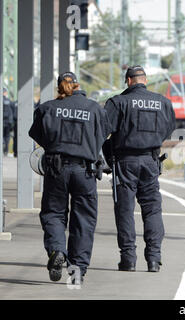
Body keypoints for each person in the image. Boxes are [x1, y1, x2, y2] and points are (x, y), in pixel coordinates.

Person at [29, 72, 110, 283]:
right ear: (78, 85)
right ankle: (78, 270)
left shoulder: (47, 108)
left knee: (53, 213)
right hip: (85, 170)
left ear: (59, 87)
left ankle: (57, 250)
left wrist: (56, 146)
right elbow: (103, 135)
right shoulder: (94, 109)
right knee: (83, 219)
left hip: (57, 168)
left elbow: (36, 134)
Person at [103, 65, 175, 272]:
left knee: (125, 210)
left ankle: (128, 260)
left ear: (128, 81)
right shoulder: (163, 103)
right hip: (151, 161)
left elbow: (102, 131)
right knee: (152, 209)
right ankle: (154, 259)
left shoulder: (118, 102)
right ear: (145, 80)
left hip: (124, 163)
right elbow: (168, 129)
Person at [2, 88, 14, 156]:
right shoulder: (9, 101)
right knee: (7, 136)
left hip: (2, 121)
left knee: (2, 135)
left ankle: (2, 142)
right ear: (5, 93)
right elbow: (13, 111)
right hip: (9, 122)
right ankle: (6, 150)